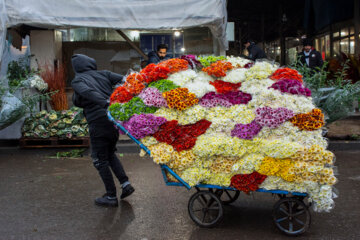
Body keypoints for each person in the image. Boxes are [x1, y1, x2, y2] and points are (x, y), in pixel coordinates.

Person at [71, 54, 134, 207]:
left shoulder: (78, 80)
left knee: (99, 159)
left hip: (98, 122)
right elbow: (127, 79)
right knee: (110, 153)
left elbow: (87, 92)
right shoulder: (104, 74)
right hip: (113, 121)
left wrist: (105, 103)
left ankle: (111, 196)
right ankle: (125, 184)